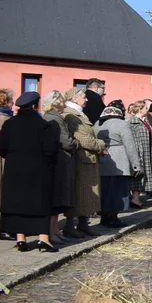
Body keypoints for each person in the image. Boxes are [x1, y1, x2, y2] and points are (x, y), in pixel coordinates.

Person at [0, 91, 59, 252]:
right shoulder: (43, 124)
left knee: (17, 203)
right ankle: (43, 239)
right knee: (40, 203)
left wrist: (13, 157)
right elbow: (51, 149)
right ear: (35, 105)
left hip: (14, 170)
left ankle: (21, 239)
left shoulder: (10, 124)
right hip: (39, 170)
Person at [63, 87, 104, 236]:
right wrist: (101, 145)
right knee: (79, 193)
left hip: (87, 158)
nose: (86, 99)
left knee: (86, 194)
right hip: (81, 158)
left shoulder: (79, 114)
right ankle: (70, 225)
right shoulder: (71, 115)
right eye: (83, 97)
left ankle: (82, 223)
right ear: (74, 98)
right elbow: (83, 139)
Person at [94, 103, 141, 228]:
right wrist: (136, 165)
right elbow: (130, 145)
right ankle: (113, 217)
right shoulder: (122, 124)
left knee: (105, 190)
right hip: (120, 160)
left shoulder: (97, 124)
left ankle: (104, 217)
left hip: (102, 159)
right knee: (117, 191)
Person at [43, 91, 77, 245]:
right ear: (56, 103)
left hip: (59, 161)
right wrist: (76, 143)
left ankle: (55, 229)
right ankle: (51, 231)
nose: (64, 105)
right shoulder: (54, 118)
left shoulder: (53, 117)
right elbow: (67, 142)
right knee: (56, 198)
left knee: (58, 199)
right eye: (62, 102)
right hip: (59, 161)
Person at [126, 101, 152, 208]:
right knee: (138, 176)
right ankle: (134, 199)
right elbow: (132, 139)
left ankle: (136, 198)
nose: (147, 110)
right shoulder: (132, 122)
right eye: (145, 108)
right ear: (140, 109)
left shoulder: (145, 121)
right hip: (139, 153)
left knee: (144, 176)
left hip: (148, 152)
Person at [0, 89, 13, 239]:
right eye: (11, 100)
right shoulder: (2, 118)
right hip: (0, 157)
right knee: (1, 192)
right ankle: (3, 230)